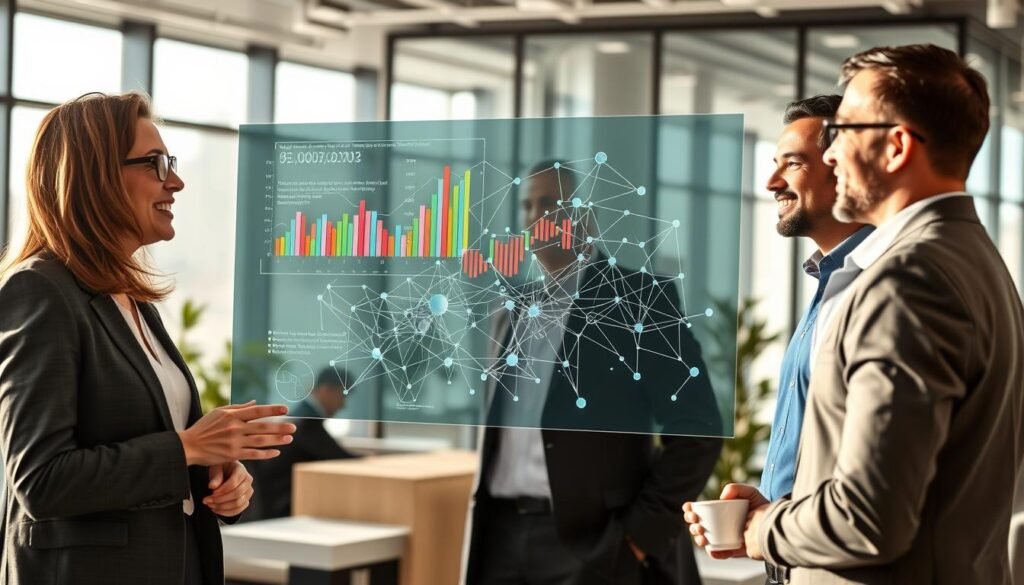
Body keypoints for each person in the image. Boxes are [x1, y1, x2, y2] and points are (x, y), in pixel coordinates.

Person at [716, 44, 1024, 584]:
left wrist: (764, 527)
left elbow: (868, 518)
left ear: (897, 146)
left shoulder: (910, 280)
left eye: (844, 132)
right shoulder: (971, 257)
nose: (832, 155)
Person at [0, 92, 296, 585]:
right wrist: (187, 449)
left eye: (171, 164)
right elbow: (41, 480)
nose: (175, 182)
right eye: (156, 164)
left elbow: (155, 449)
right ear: (95, 177)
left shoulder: (134, 304)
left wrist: (216, 476)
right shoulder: (40, 290)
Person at [462, 161, 723, 585]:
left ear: (585, 218)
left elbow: (698, 428)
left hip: (592, 546)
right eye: (527, 206)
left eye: (550, 204)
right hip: (498, 540)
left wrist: (638, 537)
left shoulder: (639, 300)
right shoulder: (508, 310)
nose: (535, 217)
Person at [682, 95, 872, 583]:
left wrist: (776, 524)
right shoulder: (831, 281)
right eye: (774, 163)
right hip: (796, 558)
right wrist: (766, 512)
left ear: (842, 167)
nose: (771, 182)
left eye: (793, 163)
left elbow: (874, 480)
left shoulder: (878, 289)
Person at [257, 366, 360, 519]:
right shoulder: (307, 422)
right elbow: (339, 457)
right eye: (342, 396)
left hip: (279, 505)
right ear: (326, 390)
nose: (343, 405)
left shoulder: (301, 415)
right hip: (284, 510)